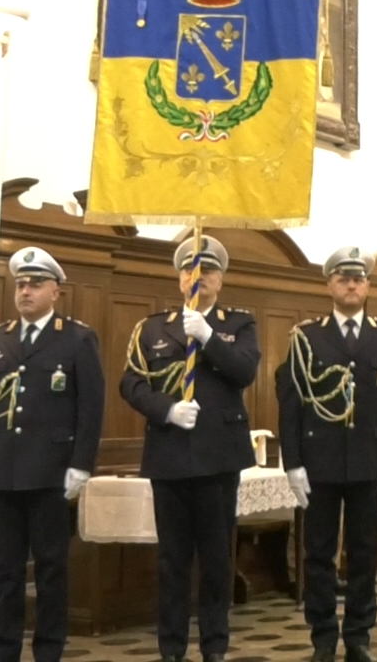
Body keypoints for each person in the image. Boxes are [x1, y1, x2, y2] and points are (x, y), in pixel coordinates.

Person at [119, 234, 260, 662]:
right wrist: (165, 410)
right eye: (190, 270)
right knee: (172, 562)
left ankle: (215, 648)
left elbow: (244, 372)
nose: (199, 278)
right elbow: (131, 383)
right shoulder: (152, 328)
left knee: (217, 562)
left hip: (219, 459)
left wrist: (210, 337)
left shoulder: (239, 324)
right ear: (180, 278)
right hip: (170, 457)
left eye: (208, 270)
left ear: (221, 278)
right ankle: (172, 650)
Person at [0, 247, 104, 662]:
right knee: (6, 573)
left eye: (35, 284)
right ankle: (4, 652)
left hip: (51, 473)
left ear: (55, 292)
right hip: (5, 471)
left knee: (50, 571)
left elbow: (90, 407)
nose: (25, 291)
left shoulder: (77, 338)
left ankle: (48, 652)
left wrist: (81, 464)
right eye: (21, 284)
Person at [276, 246, 377, 662]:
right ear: (328, 285)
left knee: (365, 551)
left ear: (367, 285)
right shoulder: (307, 336)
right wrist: (293, 462)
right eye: (342, 278)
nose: (351, 285)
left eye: (358, 279)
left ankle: (358, 636)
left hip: (369, 461)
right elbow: (291, 403)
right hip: (320, 462)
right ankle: (322, 637)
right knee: (318, 554)